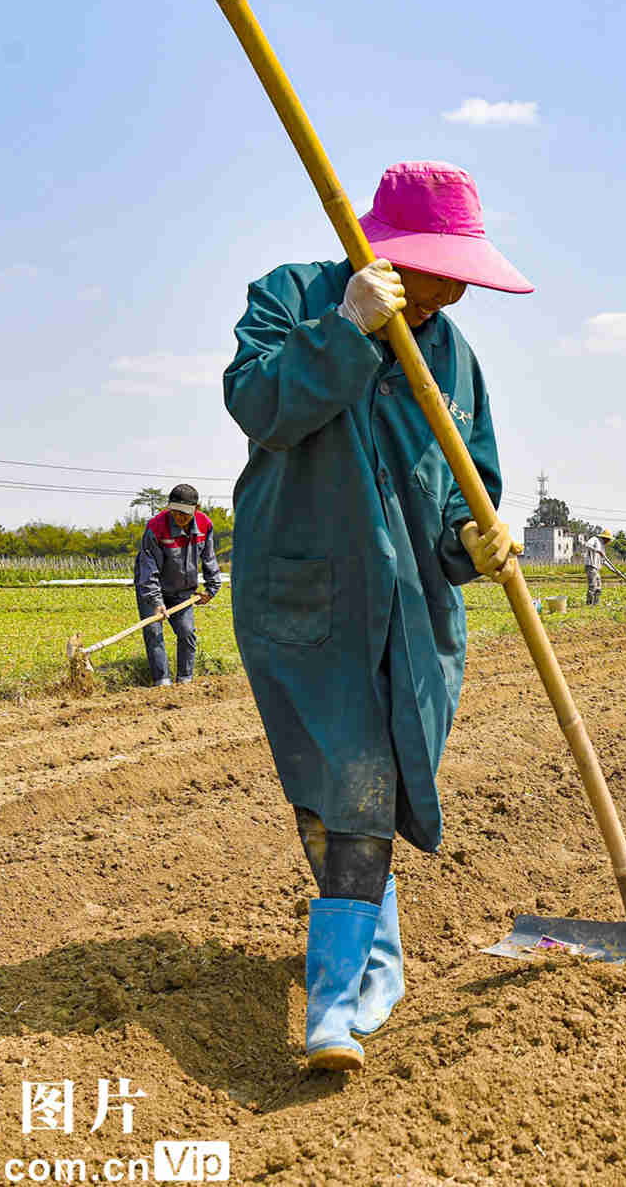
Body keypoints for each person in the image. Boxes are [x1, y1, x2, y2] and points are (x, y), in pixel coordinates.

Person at [222, 160, 530, 1073]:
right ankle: (334, 1004)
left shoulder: (453, 360)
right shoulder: (294, 298)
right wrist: (346, 329)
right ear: (389, 250)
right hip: (308, 595)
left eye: (462, 270)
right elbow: (259, 406)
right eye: (440, 267)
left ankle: (369, 953)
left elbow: (460, 503)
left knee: (375, 784)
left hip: (414, 611)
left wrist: (471, 548)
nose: (455, 288)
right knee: (341, 783)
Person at [133, 483, 222, 686]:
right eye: (175, 512)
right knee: (154, 632)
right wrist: (156, 601)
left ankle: (185, 682)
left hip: (182, 589)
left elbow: (209, 558)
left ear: (196, 509)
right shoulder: (156, 527)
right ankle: (162, 682)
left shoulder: (205, 525)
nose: (179, 517)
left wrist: (211, 588)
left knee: (187, 631)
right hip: (152, 588)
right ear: (169, 507)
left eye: (185, 513)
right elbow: (148, 568)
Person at [583, 529, 612, 605]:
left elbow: (604, 561)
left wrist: (613, 570)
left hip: (597, 568)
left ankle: (596, 603)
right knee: (592, 585)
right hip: (591, 566)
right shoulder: (595, 539)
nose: (608, 542)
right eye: (608, 540)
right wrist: (596, 550)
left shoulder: (602, 547)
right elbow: (587, 545)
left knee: (598, 587)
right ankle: (589, 603)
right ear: (605, 538)